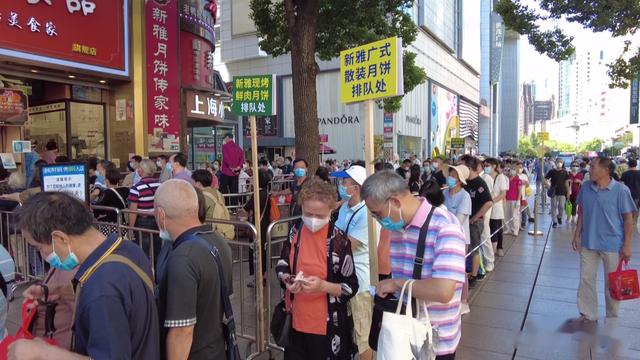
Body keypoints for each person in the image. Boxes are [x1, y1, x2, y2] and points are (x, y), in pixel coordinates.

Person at [10, 192, 159, 359]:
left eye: (37, 247)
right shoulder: (127, 249)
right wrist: (59, 291)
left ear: (59, 238)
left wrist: (43, 352)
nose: (41, 253)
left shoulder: (101, 288)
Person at [361, 171, 466, 359]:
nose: (377, 220)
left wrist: (395, 284)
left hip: (433, 342)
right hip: (402, 335)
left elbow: (443, 291)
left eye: (377, 214)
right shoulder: (399, 227)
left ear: (395, 202)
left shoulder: (445, 227)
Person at [275, 179, 359, 359]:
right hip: (295, 323)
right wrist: (287, 279)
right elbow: (282, 263)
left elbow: (351, 287)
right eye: (308, 213)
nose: (313, 220)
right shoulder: (295, 232)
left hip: (328, 328)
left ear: (331, 211)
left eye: (320, 215)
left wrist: (322, 286)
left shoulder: (339, 242)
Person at [153, 179, 233, 359]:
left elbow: (182, 331)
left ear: (161, 214)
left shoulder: (182, 258)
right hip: (216, 350)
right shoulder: (220, 242)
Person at [572, 157, 636, 321]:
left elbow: (629, 219)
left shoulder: (621, 190)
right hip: (588, 242)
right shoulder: (586, 187)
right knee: (586, 278)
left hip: (613, 244)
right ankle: (588, 313)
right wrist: (577, 235)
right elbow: (582, 212)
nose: (589, 169)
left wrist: (627, 245)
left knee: (612, 282)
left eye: (593, 167)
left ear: (605, 170)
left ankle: (612, 315)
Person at [332, 165, 372, 360]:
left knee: (362, 335)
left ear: (356, 188)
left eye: (344, 183)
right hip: (344, 280)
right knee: (348, 331)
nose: (341, 186)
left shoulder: (367, 214)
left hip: (360, 283)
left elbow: (346, 245)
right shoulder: (345, 208)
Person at [443, 165, 472, 313]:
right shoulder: (445, 193)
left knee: (460, 270)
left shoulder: (465, 196)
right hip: (444, 237)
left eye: (454, 175)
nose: (451, 177)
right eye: (450, 174)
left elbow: (459, 219)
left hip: (460, 238)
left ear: (460, 180)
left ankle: (464, 301)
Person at [460, 157, 493, 286]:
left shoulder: (480, 183)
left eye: (461, 167)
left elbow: (489, 202)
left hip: (474, 223)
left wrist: (475, 217)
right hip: (463, 222)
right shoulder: (464, 182)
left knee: (474, 249)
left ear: (469, 168)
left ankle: (474, 275)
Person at [127, 159, 162, 264]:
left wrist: (130, 229)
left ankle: (146, 274)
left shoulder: (136, 188)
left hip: (142, 222)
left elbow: (133, 211)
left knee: (143, 251)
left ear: (141, 170)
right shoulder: (159, 185)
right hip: (156, 220)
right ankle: (157, 274)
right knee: (157, 250)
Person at [243, 169, 272, 287]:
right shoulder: (267, 194)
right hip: (266, 227)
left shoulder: (256, 195)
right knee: (264, 252)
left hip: (256, 228)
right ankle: (263, 277)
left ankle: (257, 278)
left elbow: (244, 209)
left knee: (255, 253)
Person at [192, 170, 234, 240]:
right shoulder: (218, 193)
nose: (191, 184)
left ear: (198, 183)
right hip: (220, 229)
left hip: (207, 232)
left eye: (193, 182)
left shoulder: (201, 197)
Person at [485, 158, 508, 257]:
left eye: (487, 165)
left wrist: (492, 201)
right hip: (486, 207)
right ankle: (491, 249)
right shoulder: (485, 177)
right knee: (489, 228)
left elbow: (503, 194)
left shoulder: (500, 177)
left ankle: (498, 248)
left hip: (496, 207)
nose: (485, 167)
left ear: (494, 166)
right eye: (484, 165)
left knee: (496, 228)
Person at [545, 158, 570, 228]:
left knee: (561, 206)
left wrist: (568, 191)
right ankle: (554, 221)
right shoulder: (552, 171)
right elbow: (545, 179)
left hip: (562, 192)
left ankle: (559, 216)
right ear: (555, 163)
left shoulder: (565, 172)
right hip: (554, 192)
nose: (559, 163)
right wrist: (548, 185)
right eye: (558, 162)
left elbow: (566, 182)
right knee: (553, 207)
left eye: (561, 162)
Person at [220, 133, 244, 201]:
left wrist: (231, 167)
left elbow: (226, 158)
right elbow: (242, 158)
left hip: (226, 172)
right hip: (235, 173)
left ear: (227, 137)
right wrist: (238, 167)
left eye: (224, 138)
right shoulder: (238, 148)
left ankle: (225, 206)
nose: (224, 140)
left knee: (223, 191)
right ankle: (234, 209)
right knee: (234, 191)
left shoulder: (225, 146)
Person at [503, 165, 522, 236]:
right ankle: (508, 228)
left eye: (513, 169)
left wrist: (518, 200)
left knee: (515, 215)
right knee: (506, 215)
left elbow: (519, 191)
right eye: (511, 169)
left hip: (514, 199)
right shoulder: (507, 179)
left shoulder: (518, 180)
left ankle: (515, 229)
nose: (512, 171)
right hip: (507, 199)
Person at [620, 158, 640, 223]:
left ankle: (628, 222)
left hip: (627, 195)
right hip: (638, 194)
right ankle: (634, 222)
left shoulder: (625, 174)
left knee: (627, 210)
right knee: (636, 210)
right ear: (636, 165)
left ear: (628, 165)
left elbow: (621, 184)